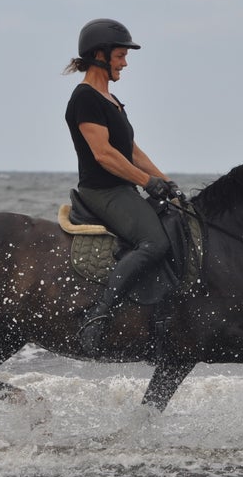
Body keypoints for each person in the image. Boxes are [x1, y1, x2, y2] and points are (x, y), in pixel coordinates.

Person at [63, 18, 181, 355]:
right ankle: (98, 316)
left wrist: (166, 181)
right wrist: (147, 182)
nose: (125, 63)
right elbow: (103, 154)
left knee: (176, 227)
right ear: (99, 55)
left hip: (124, 189)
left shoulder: (110, 99)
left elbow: (131, 150)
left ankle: (160, 314)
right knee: (155, 241)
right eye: (120, 56)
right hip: (102, 192)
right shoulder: (85, 98)